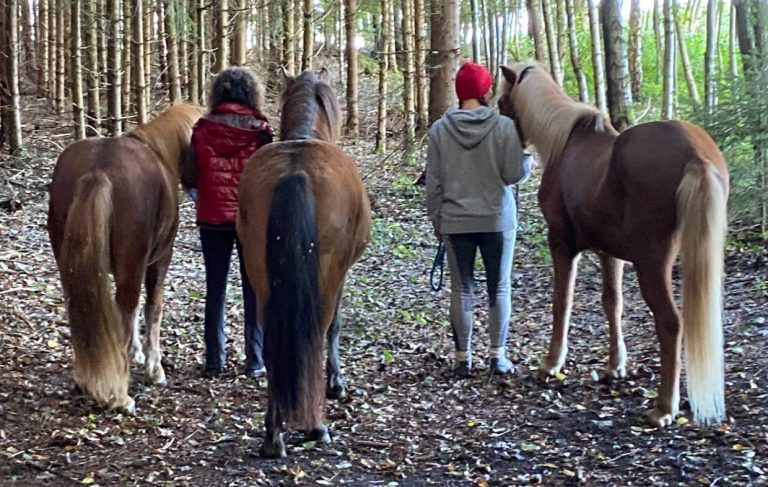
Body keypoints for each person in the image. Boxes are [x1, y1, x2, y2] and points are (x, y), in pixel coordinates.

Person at [425, 61, 532, 377]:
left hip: (456, 221)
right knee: (499, 287)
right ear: (486, 91)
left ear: (459, 92)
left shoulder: (439, 130)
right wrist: (527, 157)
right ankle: (497, 357)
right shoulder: (503, 127)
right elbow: (513, 174)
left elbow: (434, 184)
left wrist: (438, 222)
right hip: (498, 220)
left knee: (461, 290)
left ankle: (462, 359)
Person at [181, 67, 273, 378]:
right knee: (254, 288)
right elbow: (269, 180)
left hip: (212, 219)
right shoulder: (260, 130)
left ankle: (214, 360)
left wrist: (203, 198)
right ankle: (255, 360)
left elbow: (190, 175)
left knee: (215, 288)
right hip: (251, 222)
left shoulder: (203, 128)